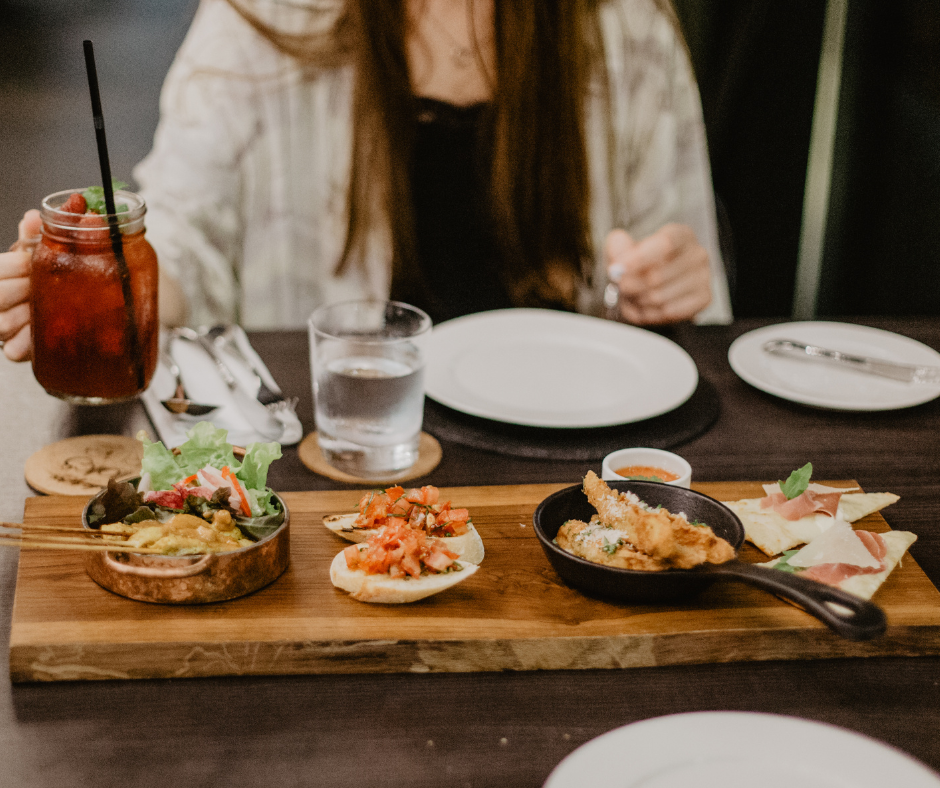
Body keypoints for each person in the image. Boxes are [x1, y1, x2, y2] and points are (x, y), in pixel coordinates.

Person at [0, 0, 731, 363]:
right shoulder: (261, 16)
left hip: (569, 460)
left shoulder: (625, 25)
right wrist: (115, 294)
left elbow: (675, 265)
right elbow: (189, 239)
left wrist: (664, 289)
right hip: (339, 465)